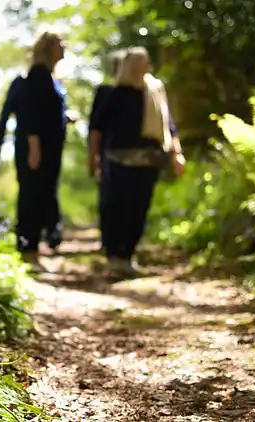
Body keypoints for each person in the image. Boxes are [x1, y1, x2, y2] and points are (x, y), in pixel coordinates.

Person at [88, 46, 185, 275]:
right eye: (140, 62)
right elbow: (96, 129)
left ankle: (128, 255)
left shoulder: (154, 92)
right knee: (117, 207)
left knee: (139, 208)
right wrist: (93, 157)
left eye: (147, 62)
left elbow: (168, 126)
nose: (146, 67)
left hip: (149, 161)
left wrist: (177, 153)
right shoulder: (112, 93)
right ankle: (114, 258)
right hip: (118, 162)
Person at [12, 30, 67, 265]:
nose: (64, 46)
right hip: (37, 149)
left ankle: (34, 250)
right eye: (60, 43)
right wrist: (34, 147)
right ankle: (27, 252)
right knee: (31, 198)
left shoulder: (50, 77)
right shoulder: (37, 76)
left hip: (48, 149)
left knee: (42, 196)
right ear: (49, 48)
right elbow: (29, 115)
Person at [87, 49, 126, 249]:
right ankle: (109, 242)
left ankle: (122, 245)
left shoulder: (145, 93)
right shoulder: (105, 92)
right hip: (107, 155)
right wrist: (93, 157)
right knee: (108, 198)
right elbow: (95, 127)